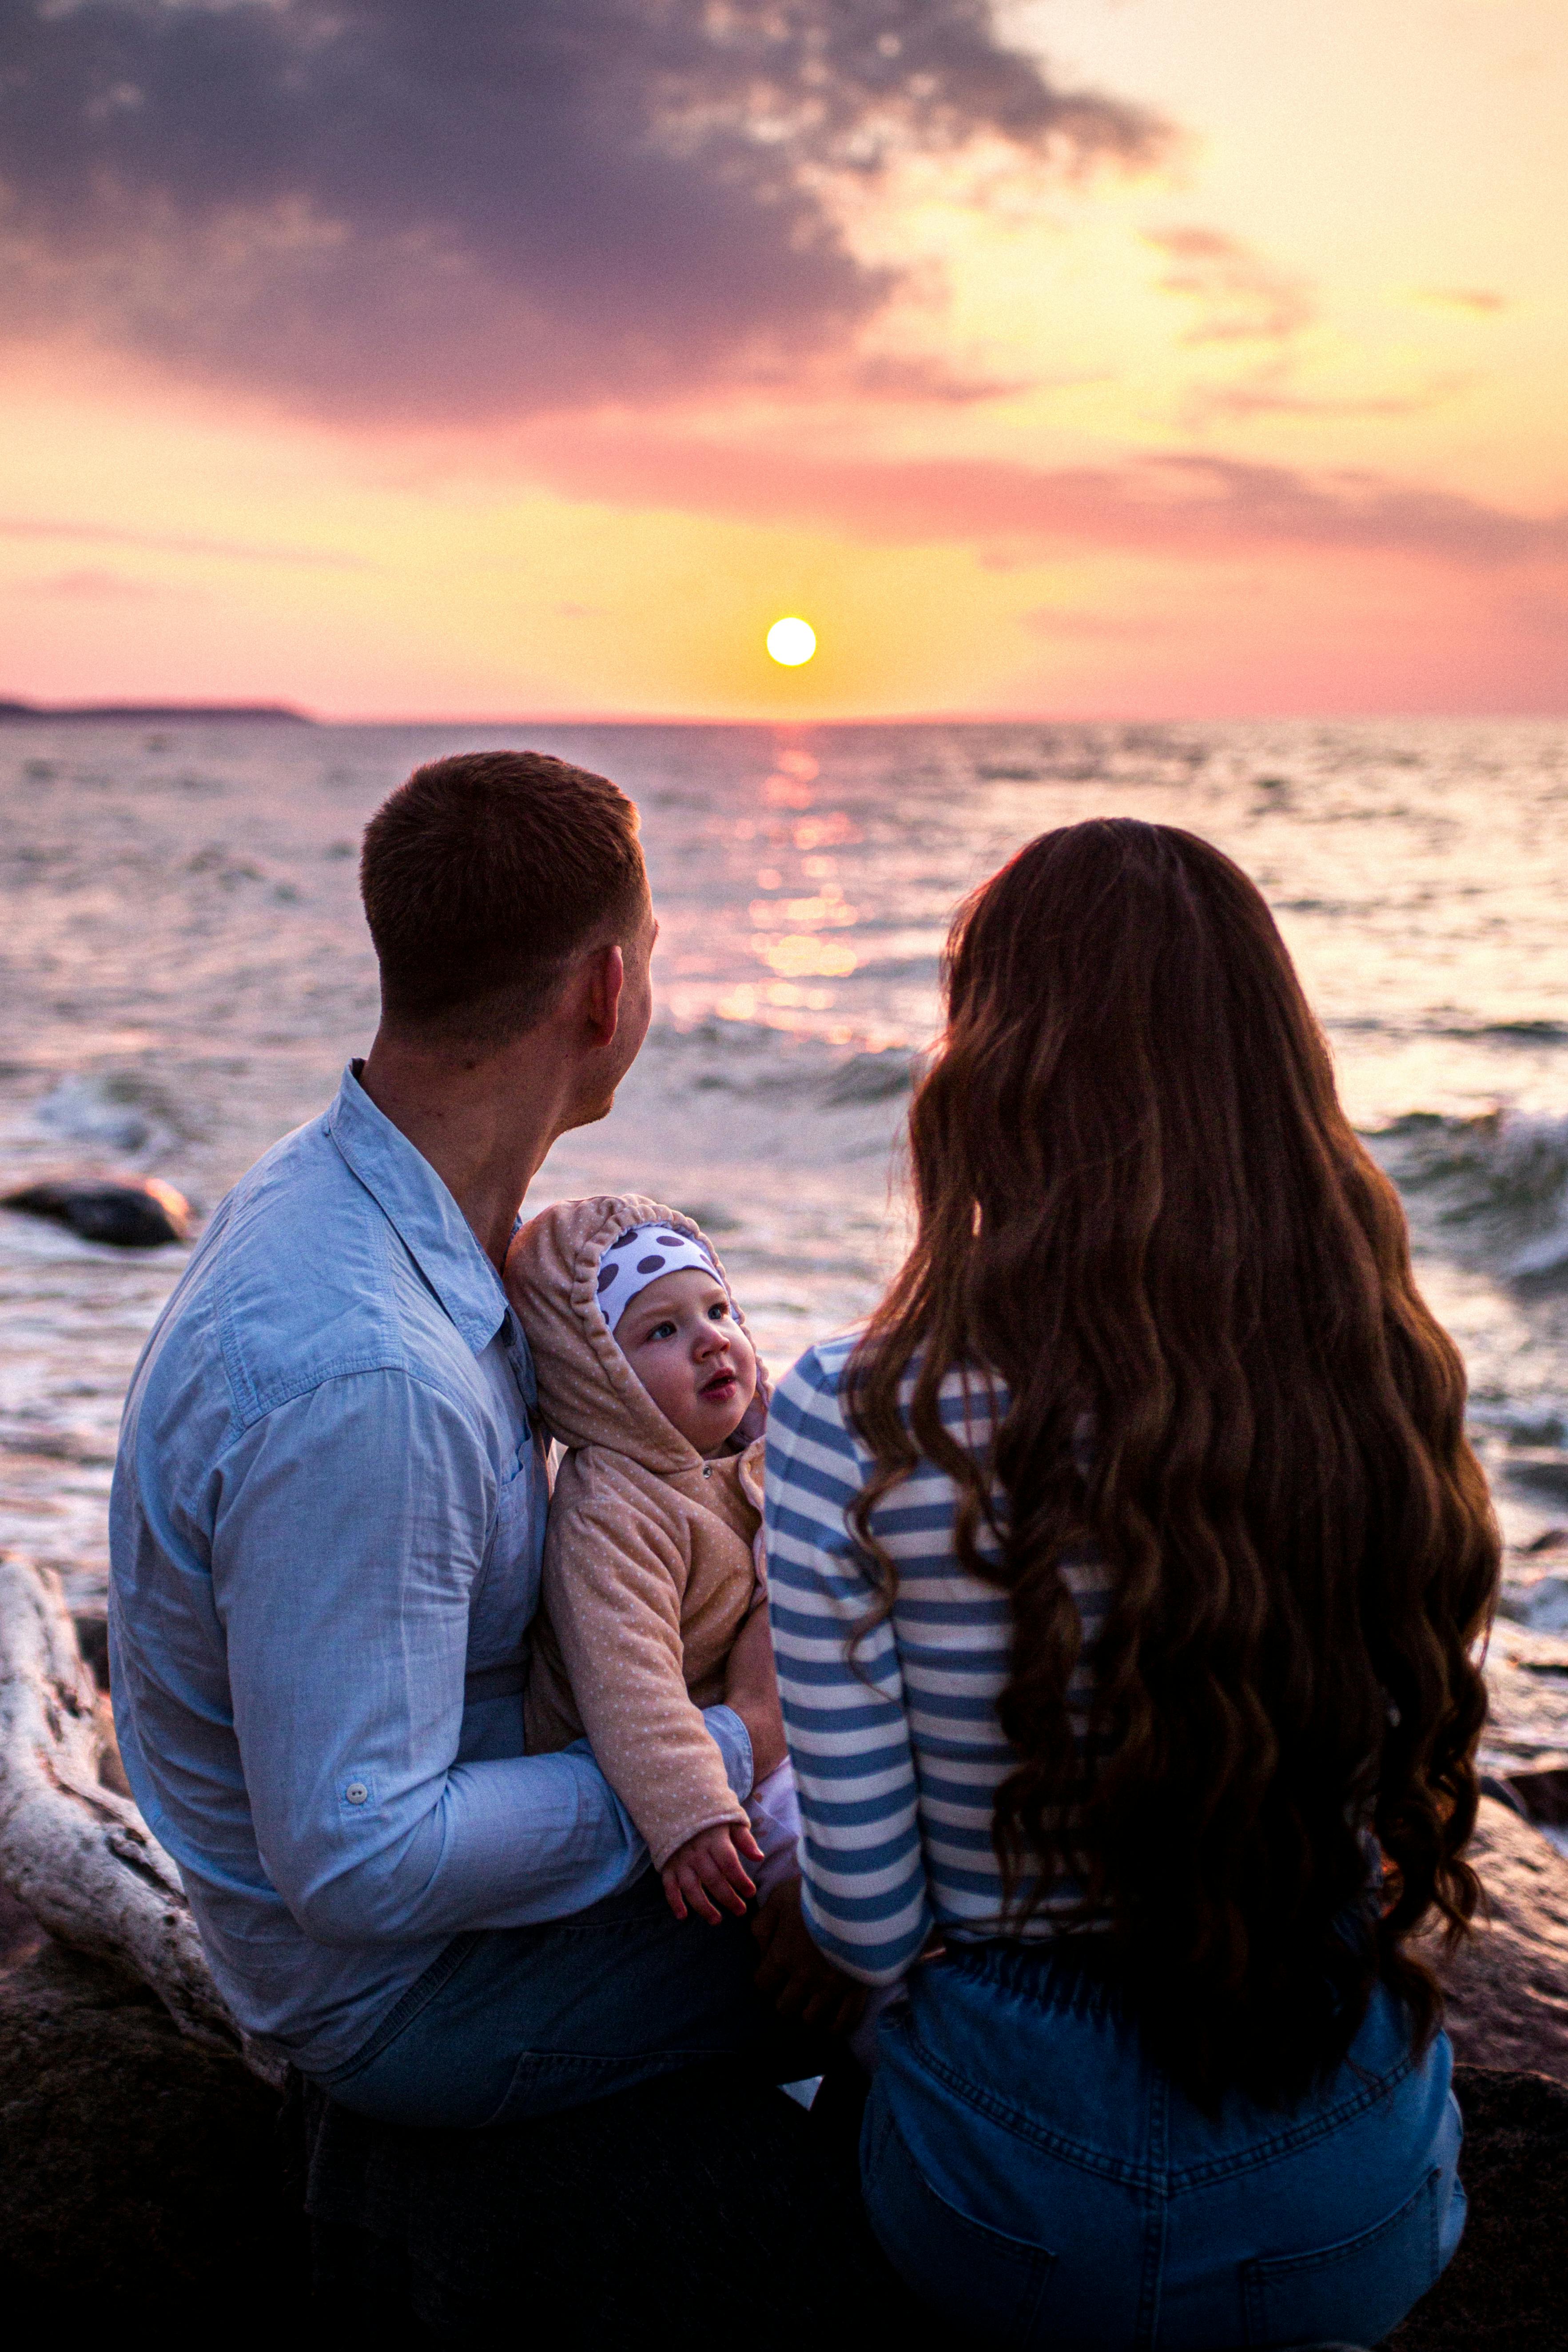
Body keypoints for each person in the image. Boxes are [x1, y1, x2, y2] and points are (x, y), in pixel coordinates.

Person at [766, 819, 1498, 2350]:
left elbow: (867, 1924)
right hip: (1337, 2183)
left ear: (991, 1071)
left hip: (1007, 2194)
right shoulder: (1377, 1381)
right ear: (1269, 1075)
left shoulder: (855, 1414)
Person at [108, 749, 811, 2129]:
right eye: (655, 957)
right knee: (947, 1944)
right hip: (403, 1998)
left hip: (441, 1896)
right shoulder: (372, 1378)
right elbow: (360, 1857)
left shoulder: (361, 1186)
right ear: (608, 990)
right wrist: (739, 1745)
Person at [509, 1194, 859, 2024]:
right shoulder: (613, 1508)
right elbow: (626, 1686)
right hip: (692, 1779)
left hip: (775, 1747)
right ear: (597, 1377)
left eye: (716, 1310)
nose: (709, 1339)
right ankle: (885, 2034)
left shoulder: (757, 1456)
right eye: (660, 1331)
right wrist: (690, 1814)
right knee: (839, 1883)